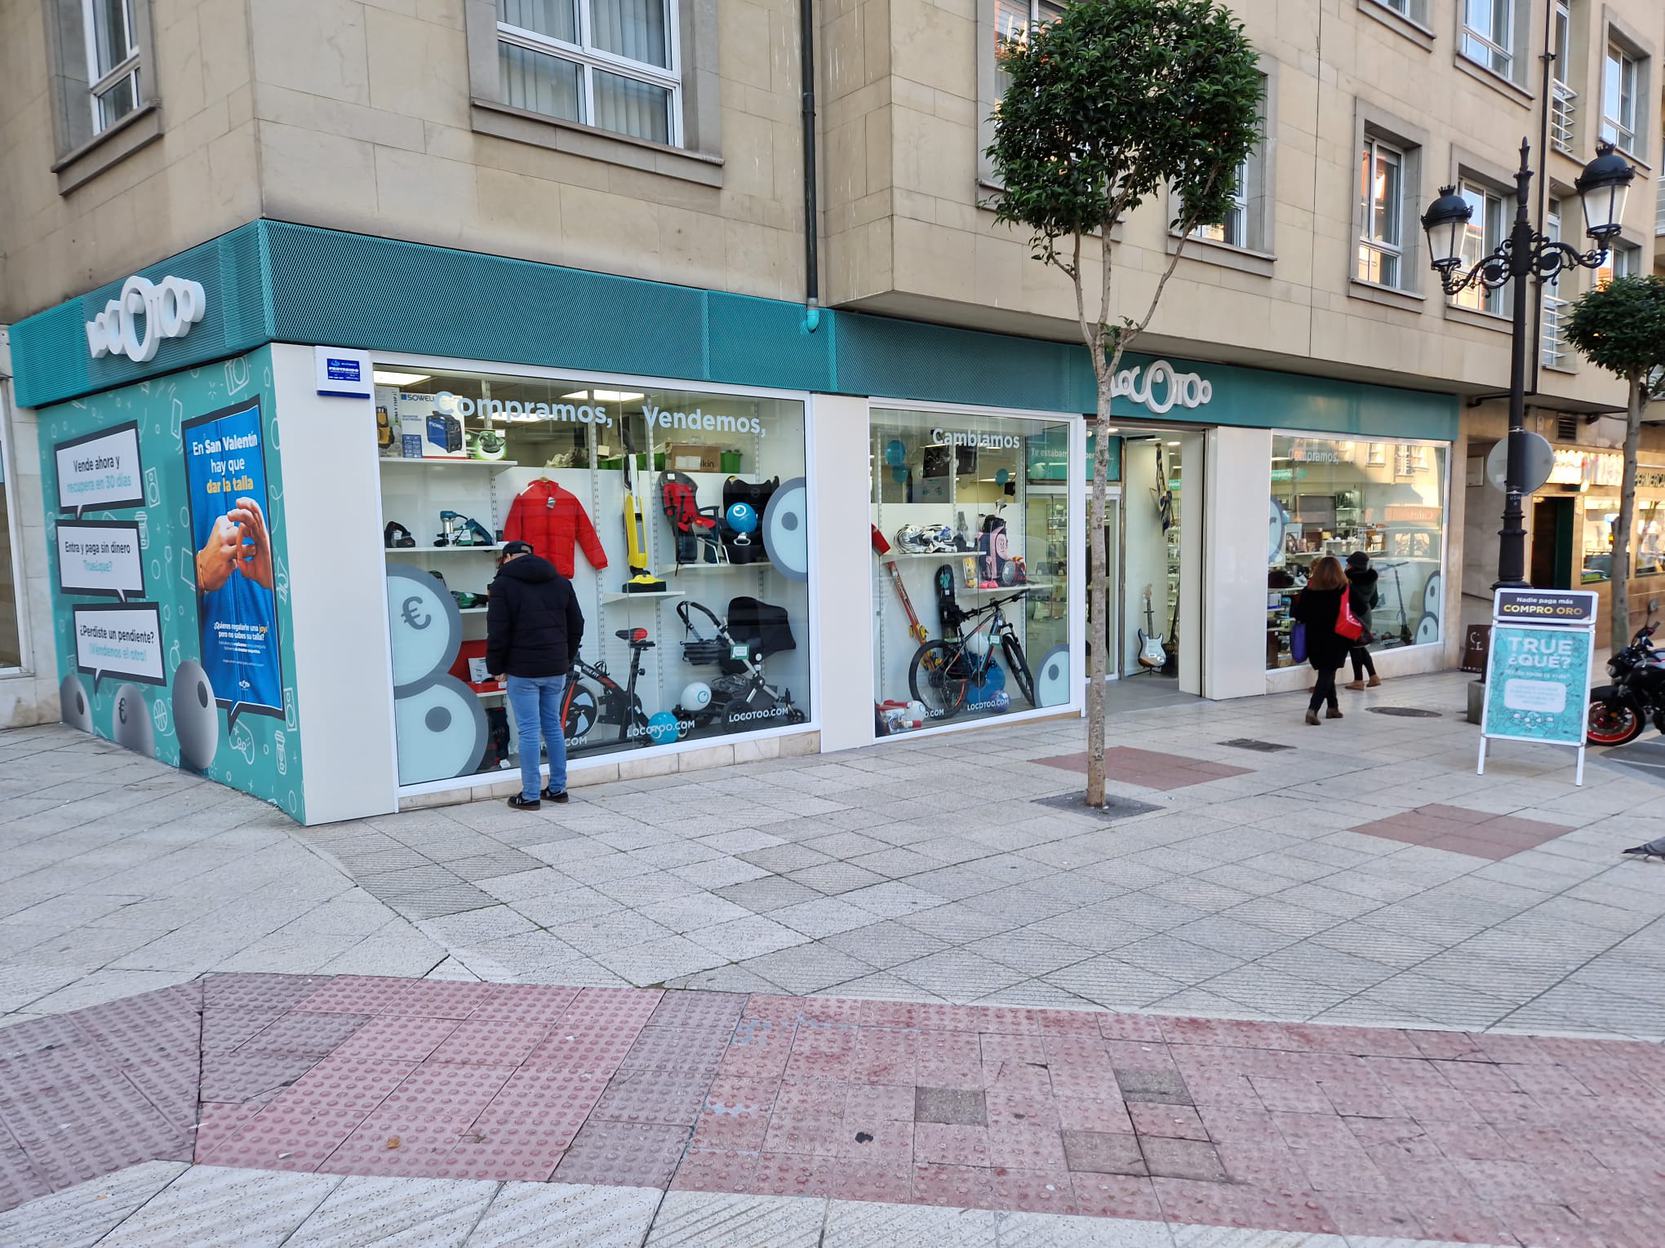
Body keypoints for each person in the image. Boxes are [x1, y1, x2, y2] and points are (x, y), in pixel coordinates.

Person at [486, 539, 584, 810]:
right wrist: (565, 657)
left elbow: (497, 632)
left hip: (523, 670)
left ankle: (530, 795)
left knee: (529, 730)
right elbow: (577, 624)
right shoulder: (561, 582)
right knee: (552, 726)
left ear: (507, 558)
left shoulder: (502, 586)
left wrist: (496, 667)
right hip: (555, 668)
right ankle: (558, 789)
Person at [1290, 555, 1351, 726]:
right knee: (1327, 672)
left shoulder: (1309, 591)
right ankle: (1313, 709)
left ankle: (1333, 707)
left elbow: (1299, 614)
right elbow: (1356, 609)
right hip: (1337, 636)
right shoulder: (1343, 589)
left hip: (1314, 636)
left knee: (1326, 671)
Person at [1343, 551, 1381, 690]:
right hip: (1366, 614)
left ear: (1353, 565)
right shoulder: (1371, 579)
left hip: (1352, 615)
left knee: (1355, 648)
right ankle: (1373, 676)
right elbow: (1374, 599)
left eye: (1348, 563)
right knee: (1359, 645)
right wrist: (1367, 608)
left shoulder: (1348, 579)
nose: (1347, 566)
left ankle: (1358, 680)